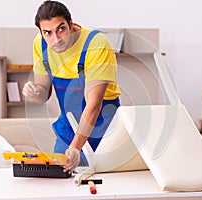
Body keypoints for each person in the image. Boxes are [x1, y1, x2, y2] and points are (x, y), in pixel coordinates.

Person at [22, 0, 121, 174]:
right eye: (48, 33)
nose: (56, 39)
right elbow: (43, 93)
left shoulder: (95, 44)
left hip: (104, 128)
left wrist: (76, 147)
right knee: (61, 181)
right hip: (68, 126)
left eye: (61, 29)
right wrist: (35, 91)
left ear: (71, 23)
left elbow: (94, 104)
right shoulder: (40, 44)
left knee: (105, 185)